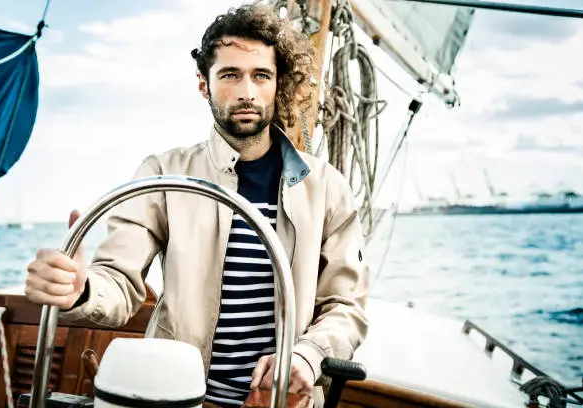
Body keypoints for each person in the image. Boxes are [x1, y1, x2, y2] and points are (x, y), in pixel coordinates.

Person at [25, 3, 370, 407]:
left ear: (279, 84)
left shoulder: (327, 187)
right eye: (230, 75)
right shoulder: (163, 173)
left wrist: (308, 356)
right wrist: (79, 290)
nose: (246, 91)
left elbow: (347, 307)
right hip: (175, 398)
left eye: (261, 76)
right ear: (204, 84)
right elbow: (118, 281)